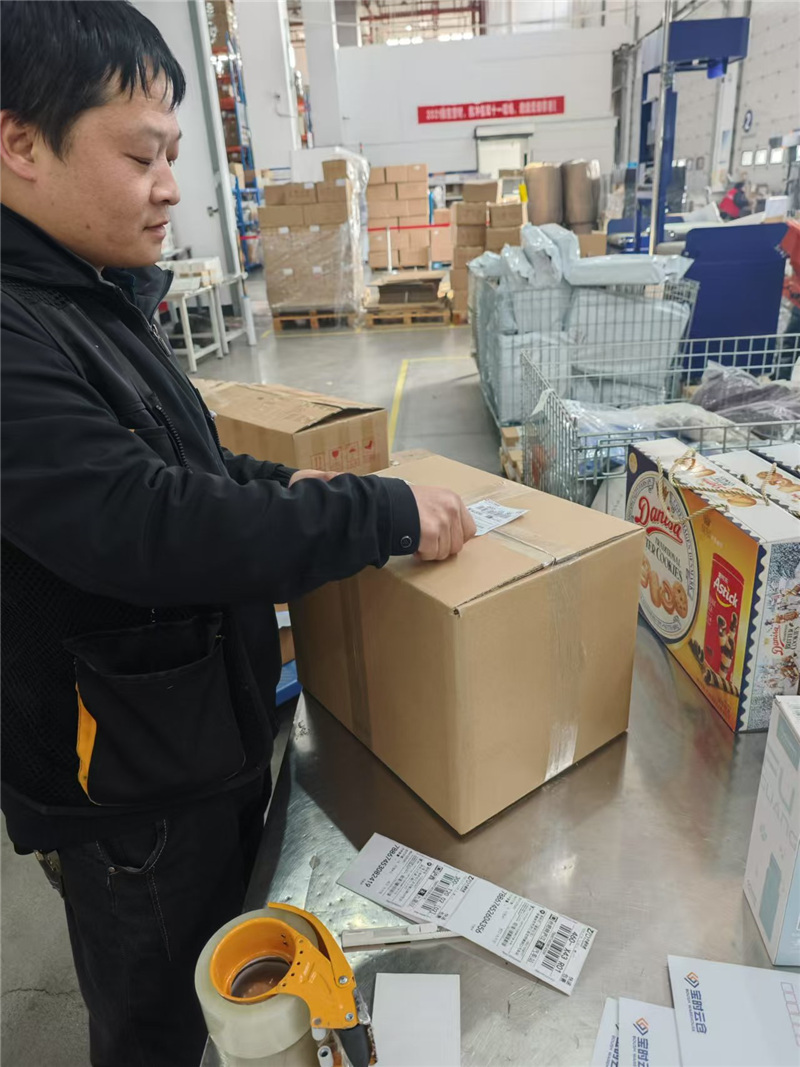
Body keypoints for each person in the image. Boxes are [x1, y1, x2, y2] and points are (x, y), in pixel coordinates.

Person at [0, 3, 476, 1065]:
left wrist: (284, 480)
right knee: (162, 1023)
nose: (173, 185)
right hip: (126, 793)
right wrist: (380, 513)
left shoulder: (84, 292)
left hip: (183, 740)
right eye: (142, 156)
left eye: (175, 153)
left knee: (231, 974)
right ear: (21, 143)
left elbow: (183, 460)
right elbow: (144, 523)